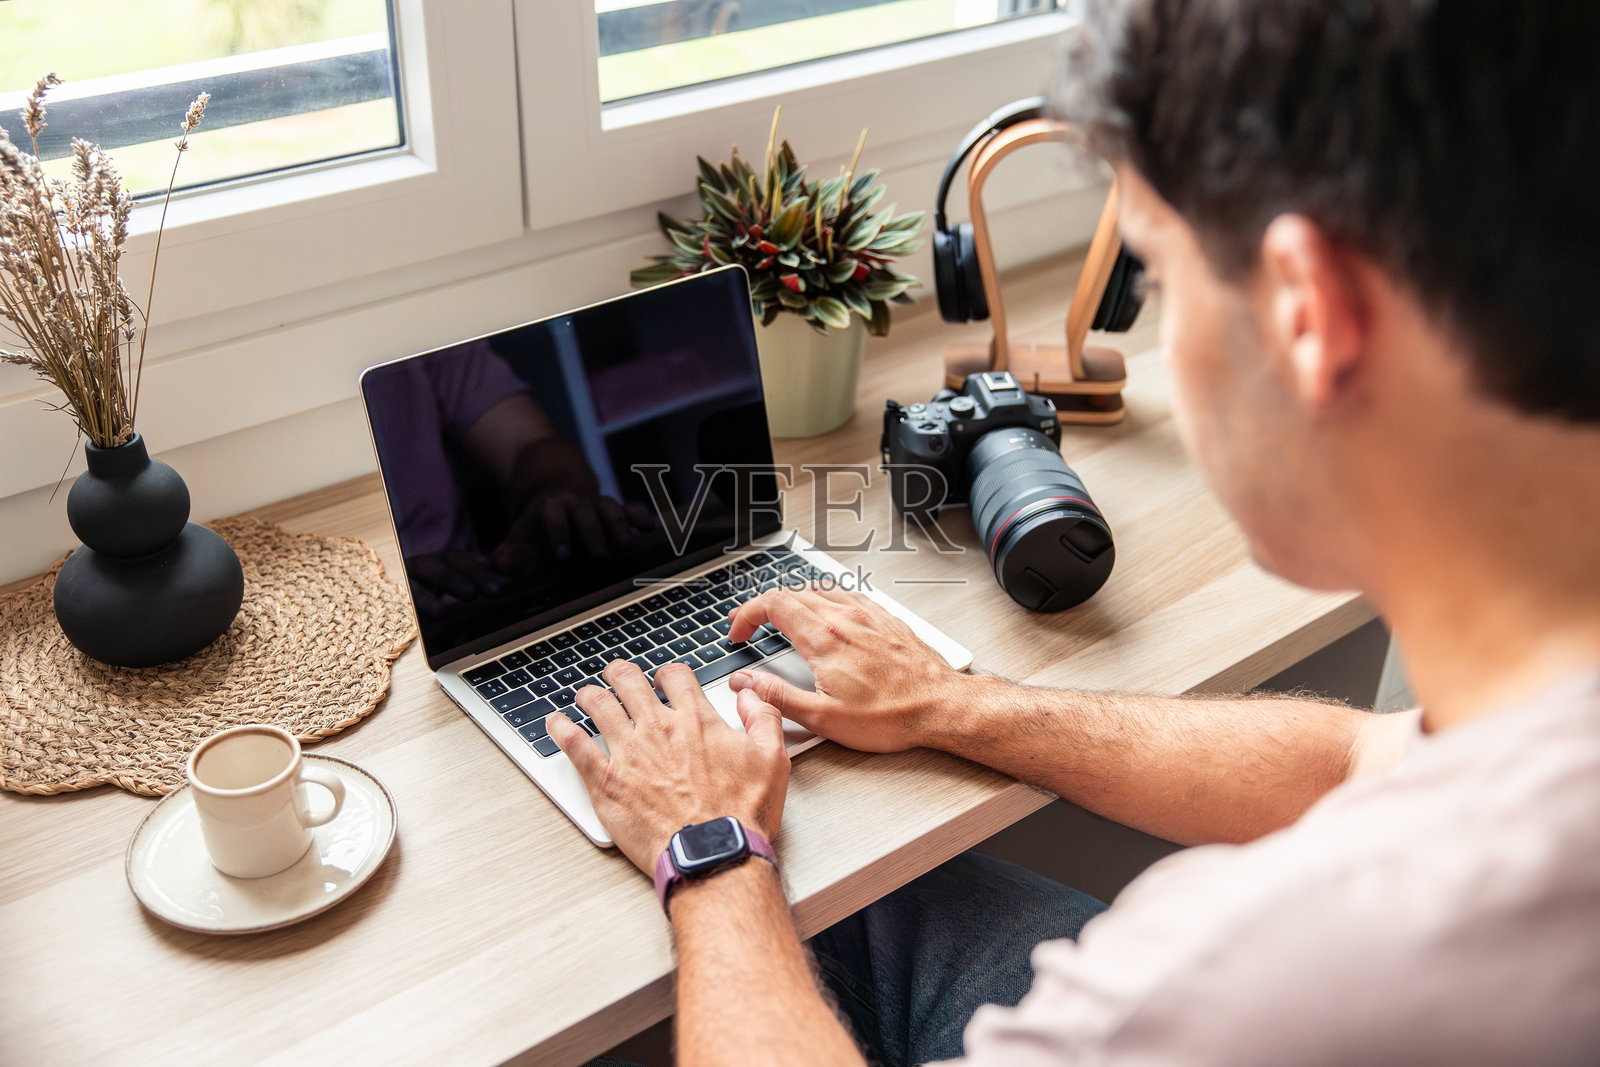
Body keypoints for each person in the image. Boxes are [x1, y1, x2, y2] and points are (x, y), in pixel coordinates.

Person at [548, 1, 1600, 1063]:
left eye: (1159, 277)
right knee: (873, 901)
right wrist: (956, 702)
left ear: (1307, 313)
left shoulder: (1230, 977)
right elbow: (1359, 758)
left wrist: (709, 845)